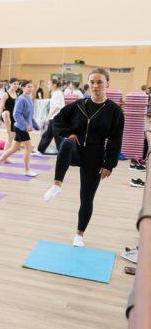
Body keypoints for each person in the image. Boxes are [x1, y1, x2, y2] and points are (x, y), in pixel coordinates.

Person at [43, 69, 124, 247]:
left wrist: (109, 164)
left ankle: (79, 235)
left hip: (95, 155)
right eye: (92, 82)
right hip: (76, 150)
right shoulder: (78, 105)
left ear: (107, 84)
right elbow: (57, 121)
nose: (95, 86)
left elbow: (115, 140)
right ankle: (57, 185)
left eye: (99, 82)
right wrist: (69, 133)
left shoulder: (114, 111)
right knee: (67, 143)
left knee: (87, 198)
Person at [0, 80, 39, 177]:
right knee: (29, 148)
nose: (30, 89)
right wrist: (26, 126)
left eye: (32, 87)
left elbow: (29, 116)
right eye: (28, 87)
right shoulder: (21, 99)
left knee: (15, 148)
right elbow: (16, 114)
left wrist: (35, 125)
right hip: (20, 127)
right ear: (23, 88)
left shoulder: (29, 99)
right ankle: (27, 170)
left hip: (22, 127)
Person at [34, 79, 65, 155]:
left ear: (54, 85)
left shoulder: (57, 93)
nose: (47, 86)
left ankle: (63, 154)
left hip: (56, 119)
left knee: (58, 137)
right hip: (54, 118)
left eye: (49, 84)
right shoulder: (55, 93)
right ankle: (40, 150)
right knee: (47, 135)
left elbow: (57, 107)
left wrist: (48, 117)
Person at [0, 78, 20, 150]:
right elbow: (1, 108)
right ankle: (8, 133)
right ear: (10, 84)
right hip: (6, 115)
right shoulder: (5, 94)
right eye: (14, 84)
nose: (16, 85)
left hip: (13, 117)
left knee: (10, 139)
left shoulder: (17, 95)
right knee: (6, 113)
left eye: (17, 84)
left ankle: (5, 154)